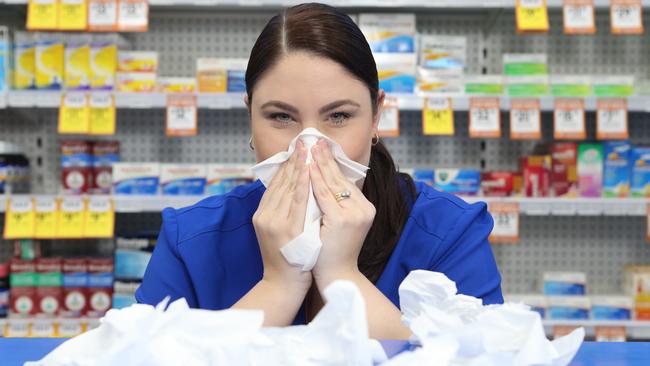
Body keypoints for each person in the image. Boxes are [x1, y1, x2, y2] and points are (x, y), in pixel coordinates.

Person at [136, 3, 502, 339]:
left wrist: (341, 275)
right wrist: (278, 285)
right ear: (250, 116)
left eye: (339, 116)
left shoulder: (449, 232)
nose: (310, 146)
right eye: (281, 117)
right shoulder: (190, 239)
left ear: (376, 115)